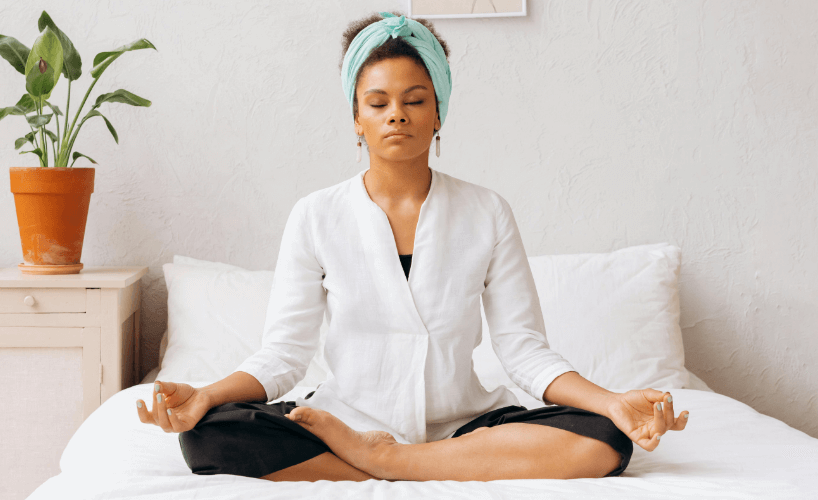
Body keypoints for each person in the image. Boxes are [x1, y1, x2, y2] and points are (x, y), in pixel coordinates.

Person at [136, 11, 688, 482]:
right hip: (342, 420)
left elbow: (524, 351)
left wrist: (612, 402)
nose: (396, 114)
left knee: (605, 438)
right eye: (377, 103)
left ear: (438, 112)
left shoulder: (487, 211)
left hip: (463, 425)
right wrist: (207, 395)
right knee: (209, 436)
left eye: (415, 100)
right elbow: (284, 355)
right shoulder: (315, 215)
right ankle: (410, 460)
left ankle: (390, 461)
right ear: (356, 118)